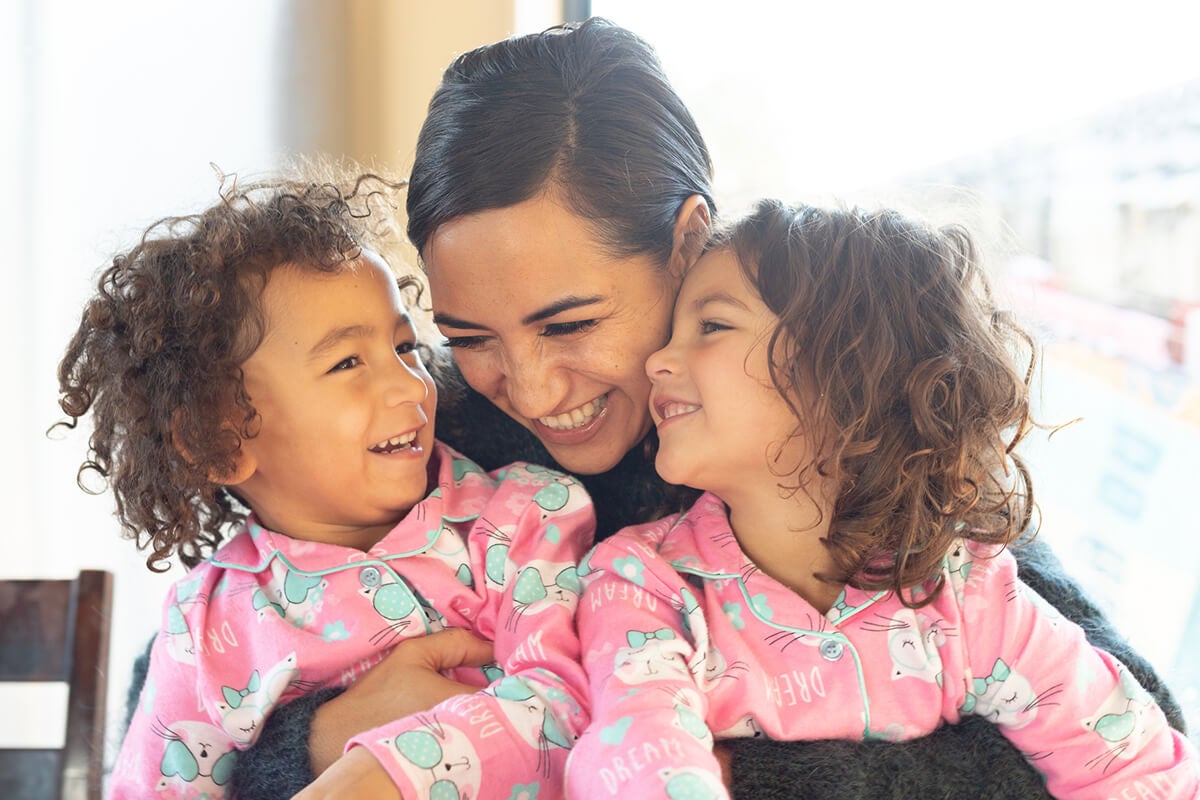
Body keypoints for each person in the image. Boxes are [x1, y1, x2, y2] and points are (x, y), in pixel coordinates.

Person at [193, 18, 1185, 800]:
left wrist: (729, 751)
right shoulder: (411, 426)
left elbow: (1134, 728)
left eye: (571, 321)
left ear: (687, 239)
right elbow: (177, 702)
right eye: (472, 336)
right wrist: (316, 740)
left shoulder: (851, 424)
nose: (531, 388)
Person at [568, 199, 1200, 799]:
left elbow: (1134, 768)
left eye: (711, 325)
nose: (658, 361)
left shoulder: (973, 594)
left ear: (848, 372)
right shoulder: (641, 585)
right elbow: (641, 752)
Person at [58, 173, 596, 799]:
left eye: (404, 346)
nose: (409, 385)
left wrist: (376, 775)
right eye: (347, 363)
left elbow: (570, 710)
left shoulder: (528, 516)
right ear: (221, 439)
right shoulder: (204, 630)